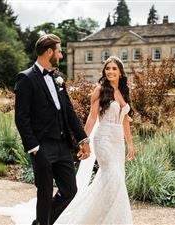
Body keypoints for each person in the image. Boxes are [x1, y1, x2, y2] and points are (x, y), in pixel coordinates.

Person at [13, 33, 91, 225]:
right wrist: (34, 148)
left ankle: (40, 223)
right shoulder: (26, 78)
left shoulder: (57, 78)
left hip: (63, 145)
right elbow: (21, 118)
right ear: (49, 52)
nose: (61, 55)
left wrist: (83, 140)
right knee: (45, 193)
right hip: (42, 147)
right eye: (59, 51)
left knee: (70, 190)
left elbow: (69, 112)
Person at [53, 55, 135, 224]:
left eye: (114, 68)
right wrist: (83, 141)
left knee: (114, 179)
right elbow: (91, 118)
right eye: (107, 68)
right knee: (114, 177)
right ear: (104, 71)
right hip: (103, 139)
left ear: (120, 72)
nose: (110, 71)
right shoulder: (100, 90)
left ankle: (104, 218)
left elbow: (125, 120)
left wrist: (130, 144)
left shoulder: (124, 91)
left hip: (118, 142)